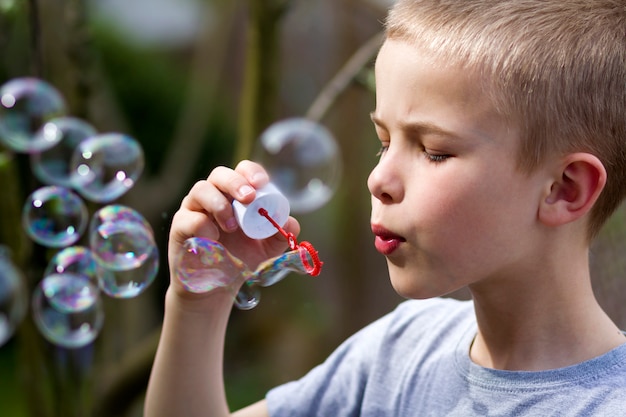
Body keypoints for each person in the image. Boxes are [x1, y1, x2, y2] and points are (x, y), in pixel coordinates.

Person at [144, 0, 626, 415]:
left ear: (564, 189)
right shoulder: (397, 354)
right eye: (382, 142)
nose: (378, 179)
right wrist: (200, 300)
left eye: (433, 150)